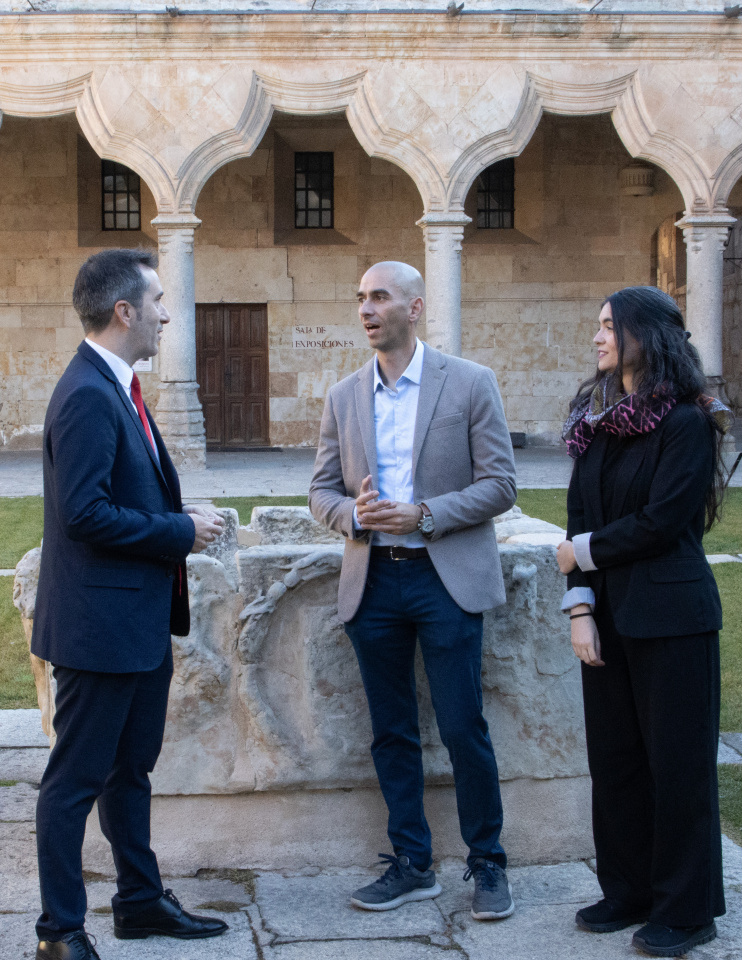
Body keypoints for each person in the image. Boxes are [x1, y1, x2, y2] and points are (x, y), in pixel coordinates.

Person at [32, 248, 230, 960]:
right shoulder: (88, 393)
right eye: (157, 302)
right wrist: (181, 531)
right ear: (125, 312)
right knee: (74, 781)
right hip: (97, 630)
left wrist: (181, 512)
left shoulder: (117, 386)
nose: (167, 315)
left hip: (136, 624)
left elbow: (121, 494)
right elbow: (85, 513)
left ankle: (139, 902)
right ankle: (58, 932)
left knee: (129, 771)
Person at [309, 260, 519, 922]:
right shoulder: (344, 396)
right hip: (373, 581)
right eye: (359, 298)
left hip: (444, 578)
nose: (366, 309)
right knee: (392, 732)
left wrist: (424, 514)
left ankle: (487, 861)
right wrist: (353, 516)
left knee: (462, 726)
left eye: (379, 297)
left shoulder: (471, 383)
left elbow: (501, 484)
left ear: (415, 307)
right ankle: (411, 864)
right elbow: (321, 490)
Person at [555, 285, 730, 957]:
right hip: (610, 619)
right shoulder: (599, 421)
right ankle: (627, 889)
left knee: (678, 767)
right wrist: (580, 608)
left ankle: (687, 910)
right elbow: (579, 515)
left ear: (643, 336)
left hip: (672, 616)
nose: (598, 337)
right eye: (597, 325)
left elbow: (664, 521)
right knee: (617, 764)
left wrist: (584, 554)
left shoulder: (685, 422)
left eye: (609, 326)